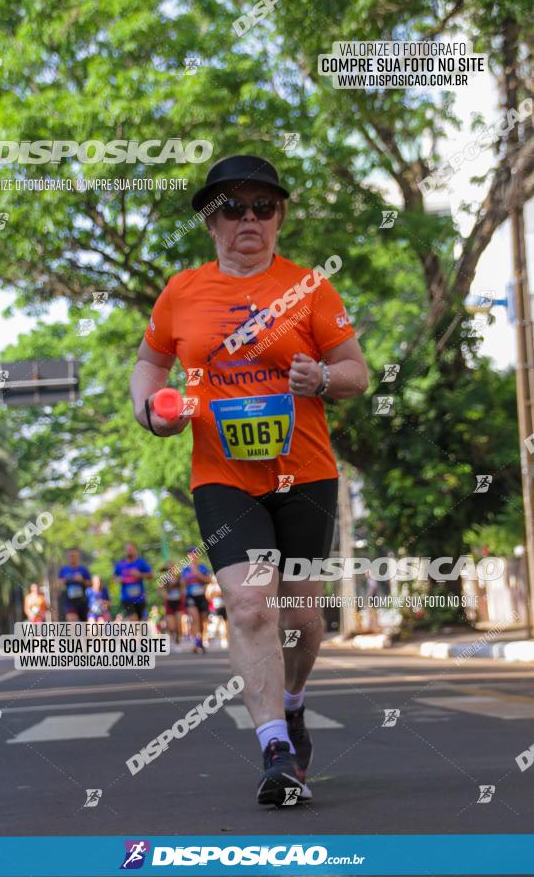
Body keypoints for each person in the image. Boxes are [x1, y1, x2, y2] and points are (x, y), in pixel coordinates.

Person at [130, 154, 368, 806]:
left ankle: (291, 705)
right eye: (232, 207)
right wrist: (153, 412)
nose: (248, 219)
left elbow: (355, 370)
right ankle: (274, 749)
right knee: (248, 603)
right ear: (210, 221)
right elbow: (148, 368)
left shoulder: (310, 288)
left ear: (279, 217)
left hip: (306, 474)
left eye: (262, 207)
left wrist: (321, 378)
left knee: (302, 616)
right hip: (222, 477)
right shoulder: (181, 293)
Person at [181, 547, 212, 653]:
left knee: (202, 620)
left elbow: (209, 580)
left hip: (201, 596)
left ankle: (200, 641)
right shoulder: (185, 569)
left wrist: (198, 574)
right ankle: (196, 642)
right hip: (190, 597)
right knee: (195, 619)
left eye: (194, 553)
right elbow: (183, 585)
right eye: (190, 554)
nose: (192, 556)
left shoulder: (202, 567)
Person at [114, 542, 152, 621]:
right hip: (127, 599)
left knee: (141, 622)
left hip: (140, 599)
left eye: (131, 549)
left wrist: (140, 574)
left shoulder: (141, 563)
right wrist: (119, 579)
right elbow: (114, 577)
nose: (129, 551)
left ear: (135, 550)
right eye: (127, 550)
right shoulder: (120, 564)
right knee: (133, 620)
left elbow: (151, 575)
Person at [58, 548, 91, 621]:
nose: (72, 558)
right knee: (72, 622)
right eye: (70, 556)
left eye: (74, 556)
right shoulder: (64, 569)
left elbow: (90, 583)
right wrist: (65, 580)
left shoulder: (83, 569)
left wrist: (82, 580)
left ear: (77, 557)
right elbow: (59, 583)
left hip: (82, 601)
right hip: (69, 601)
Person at [159, 561, 185, 651]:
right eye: (168, 569)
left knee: (179, 623)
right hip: (169, 603)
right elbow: (160, 590)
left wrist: (181, 593)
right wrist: (165, 595)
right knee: (171, 626)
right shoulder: (164, 579)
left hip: (178, 602)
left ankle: (178, 641)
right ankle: (174, 637)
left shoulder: (179, 577)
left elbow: (183, 588)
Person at [206, 574, 228, 648]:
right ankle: (213, 638)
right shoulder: (210, 586)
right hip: (214, 607)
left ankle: (224, 639)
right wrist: (216, 594)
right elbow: (208, 596)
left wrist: (218, 593)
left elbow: (226, 593)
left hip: (224, 606)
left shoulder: (222, 585)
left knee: (225, 624)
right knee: (216, 623)